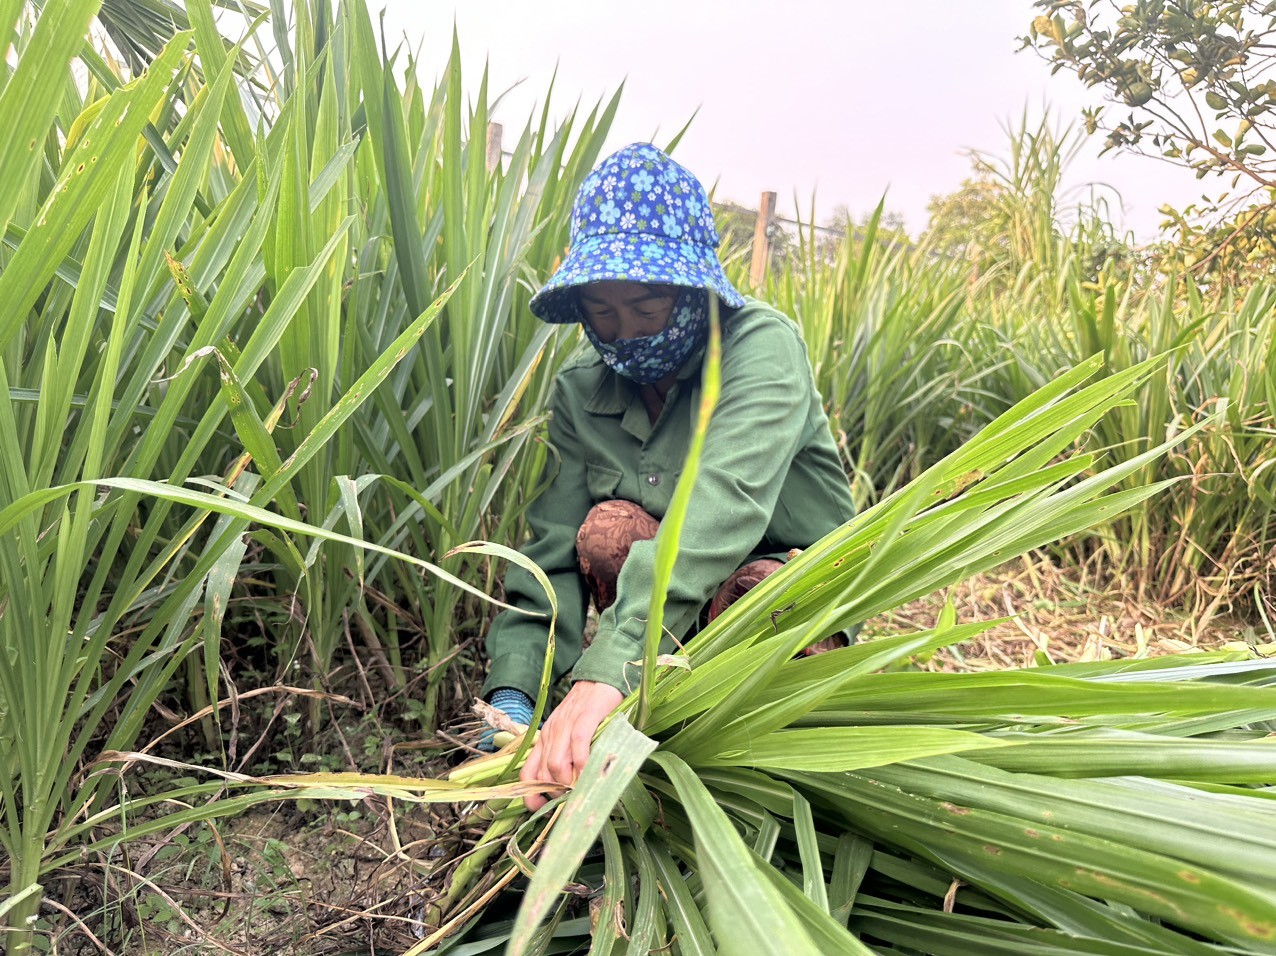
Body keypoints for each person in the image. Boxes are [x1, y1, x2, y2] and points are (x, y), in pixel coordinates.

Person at [479, 143, 855, 811]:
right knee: (606, 532)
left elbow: (721, 506)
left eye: (646, 310)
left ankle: (765, 754)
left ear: (690, 291)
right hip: (669, 625)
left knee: (762, 589)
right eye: (603, 312)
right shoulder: (581, 389)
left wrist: (606, 674)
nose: (624, 335)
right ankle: (656, 716)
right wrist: (517, 698)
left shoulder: (760, 349)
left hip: (776, 589)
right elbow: (550, 556)